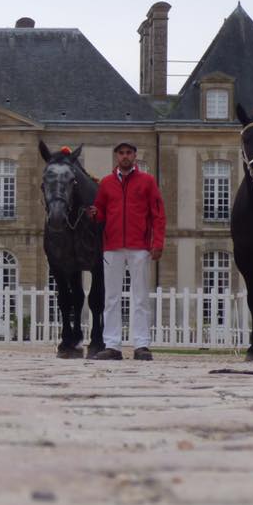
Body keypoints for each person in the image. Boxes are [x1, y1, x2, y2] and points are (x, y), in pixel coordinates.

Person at [87, 141, 166, 361]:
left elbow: (158, 214)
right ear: (116, 156)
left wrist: (157, 242)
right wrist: (94, 214)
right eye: (121, 153)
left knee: (140, 296)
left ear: (134, 155)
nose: (125, 156)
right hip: (112, 246)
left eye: (129, 152)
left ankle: (141, 345)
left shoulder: (147, 182)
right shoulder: (106, 183)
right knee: (111, 297)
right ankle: (112, 345)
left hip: (139, 246)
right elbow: (101, 212)